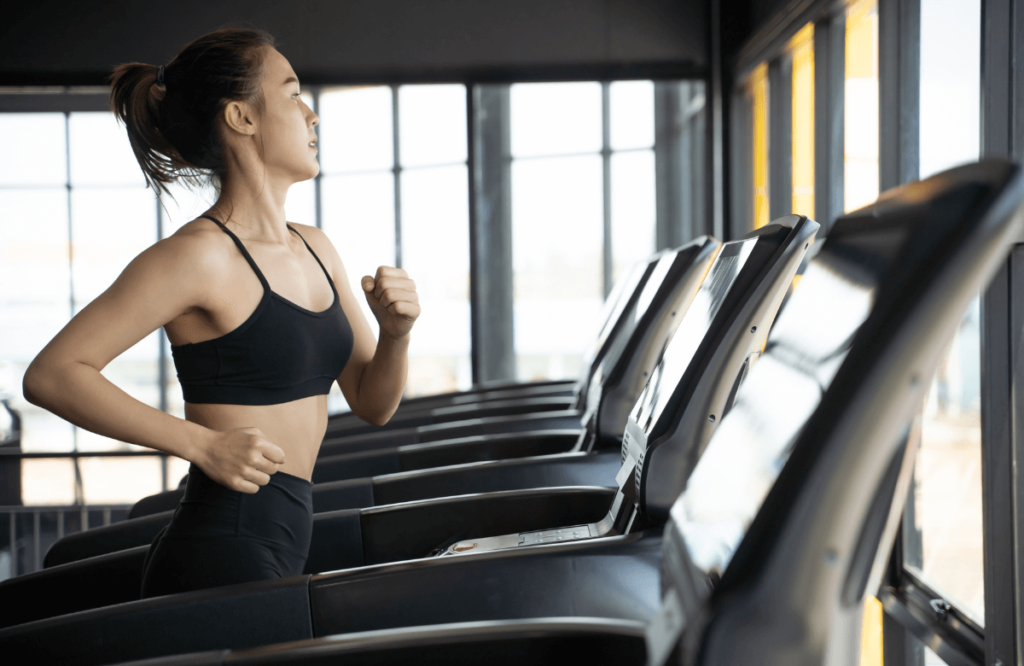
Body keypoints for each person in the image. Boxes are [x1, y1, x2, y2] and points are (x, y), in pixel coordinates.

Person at [20, 27, 420, 597]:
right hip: (223, 550)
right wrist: (202, 444)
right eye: (290, 92)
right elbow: (53, 374)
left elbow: (373, 403)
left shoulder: (316, 248)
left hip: (285, 538)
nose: (311, 114)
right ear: (242, 117)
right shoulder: (198, 256)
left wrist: (396, 335)